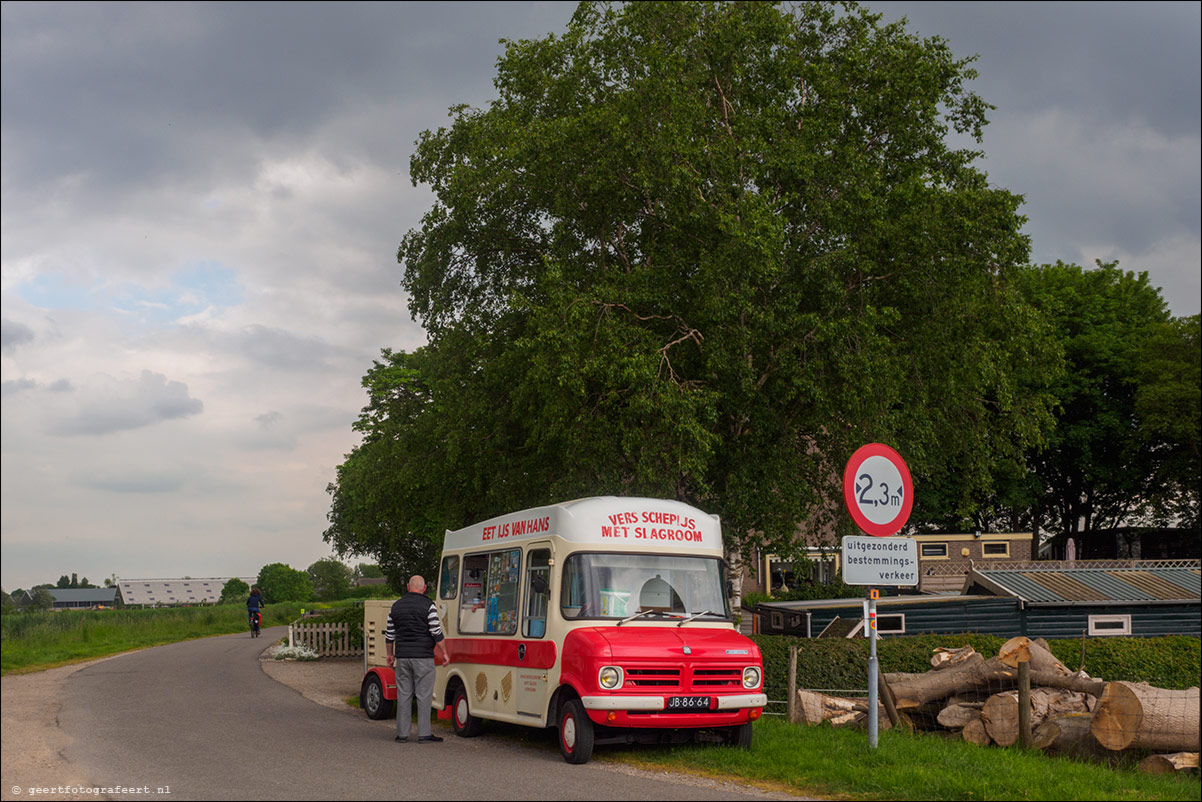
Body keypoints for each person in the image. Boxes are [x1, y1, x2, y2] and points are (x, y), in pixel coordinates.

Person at [386, 575, 450, 743]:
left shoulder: (396, 607)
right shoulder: (428, 606)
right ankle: (424, 734)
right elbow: (436, 631)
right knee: (424, 695)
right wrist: (444, 653)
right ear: (423, 589)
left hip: (403, 657)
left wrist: (390, 654)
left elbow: (390, 634)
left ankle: (402, 734)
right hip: (423, 658)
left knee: (404, 694)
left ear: (408, 586)